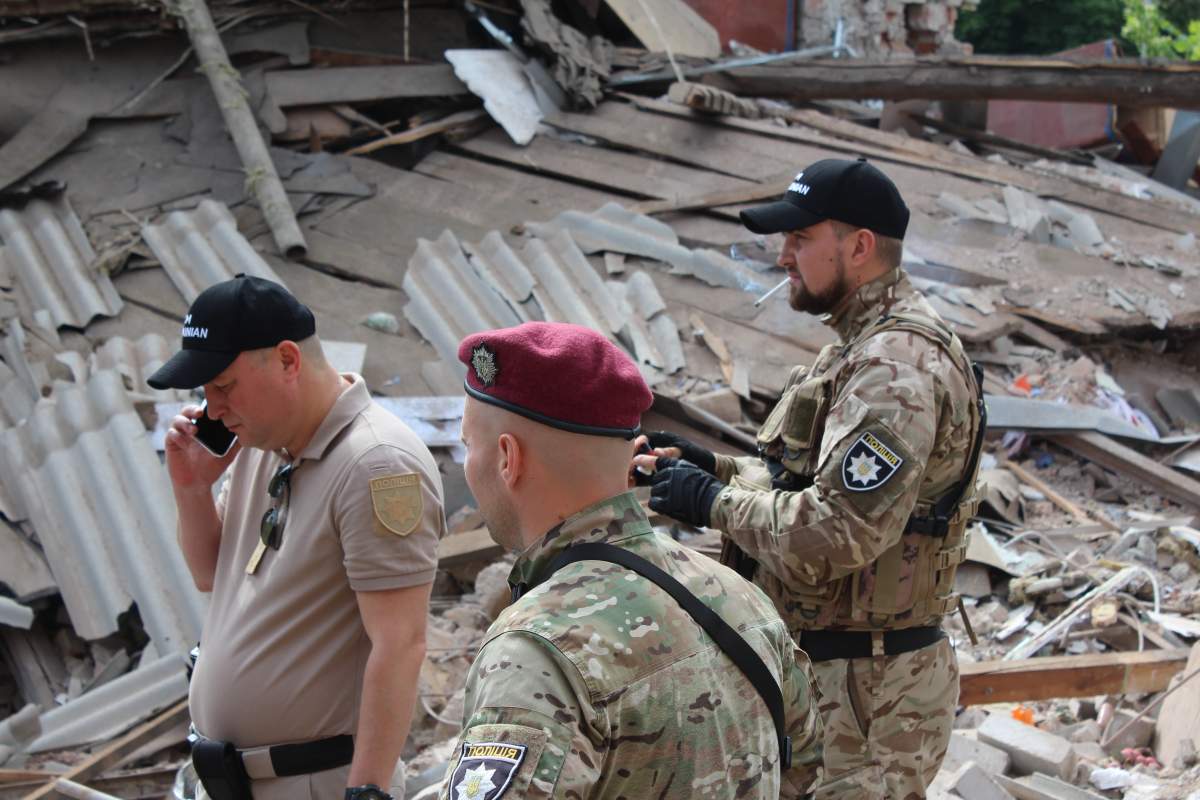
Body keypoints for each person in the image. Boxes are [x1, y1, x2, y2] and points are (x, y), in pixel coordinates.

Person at [634, 158, 986, 799]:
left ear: (859, 247)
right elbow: (808, 485)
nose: (782, 258)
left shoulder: (895, 369)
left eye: (800, 240)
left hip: (870, 700)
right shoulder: (859, 348)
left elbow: (839, 530)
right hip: (833, 679)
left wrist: (714, 503)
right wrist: (711, 466)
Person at [440, 321, 822, 800]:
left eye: (467, 444)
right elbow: (802, 773)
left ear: (506, 458)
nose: (465, 463)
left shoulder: (536, 651)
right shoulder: (739, 597)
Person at [151, 276, 446, 800]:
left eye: (223, 385)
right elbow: (208, 575)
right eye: (205, 392)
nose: (213, 408)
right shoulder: (266, 443)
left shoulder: (376, 464)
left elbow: (400, 643)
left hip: (315, 782)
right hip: (235, 779)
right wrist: (193, 489)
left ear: (288, 360)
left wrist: (369, 790)